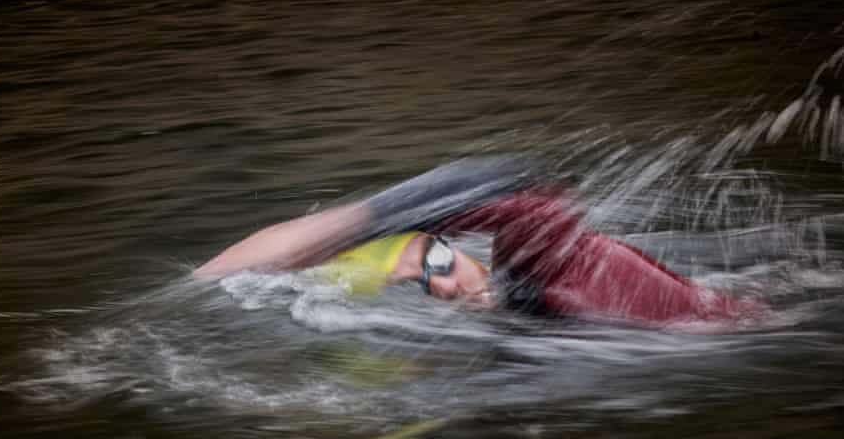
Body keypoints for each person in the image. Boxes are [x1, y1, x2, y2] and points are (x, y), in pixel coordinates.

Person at [194, 157, 764, 328]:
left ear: (461, 241)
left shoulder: (547, 263)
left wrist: (353, 225)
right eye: (421, 290)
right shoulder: (523, 319)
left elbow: (529, 193)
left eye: (435, 260)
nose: (443, 286)